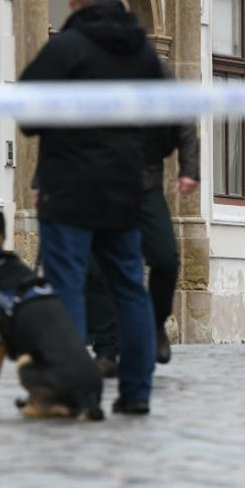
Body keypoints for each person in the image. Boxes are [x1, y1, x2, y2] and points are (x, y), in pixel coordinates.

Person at [20, 0, 166, 415]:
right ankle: (136, 394)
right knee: (130, 291)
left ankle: (71, 390)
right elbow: (166, 126)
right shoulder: (143, 53)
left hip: (69, 191)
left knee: (66, 292)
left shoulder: (67, 49)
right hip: (124, 190)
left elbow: (27, 114)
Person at [86, 122, 199, 374]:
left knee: (165, 258)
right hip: (97, 184)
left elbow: (183, 120)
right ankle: (106, 350)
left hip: (145, 183)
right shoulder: (90, 81)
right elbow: (60, 128)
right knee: (96, 268)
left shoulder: (157, 81)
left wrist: (189, 169)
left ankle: (156, 325)